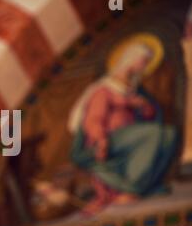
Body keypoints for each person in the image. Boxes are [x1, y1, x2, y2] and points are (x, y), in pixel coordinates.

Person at [68, 42, 178, 215]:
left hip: (132, 138)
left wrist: (143, 106)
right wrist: (101, 139)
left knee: (169, 135)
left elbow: (151, 115)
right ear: (130, 60)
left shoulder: (134, 90)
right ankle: (130, 188)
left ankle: (147, 186)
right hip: (110, 139)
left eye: (147, 63)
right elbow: (93, 119)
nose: (144, 66)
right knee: (153, 133)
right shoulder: (105, 89)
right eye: (143, 61)